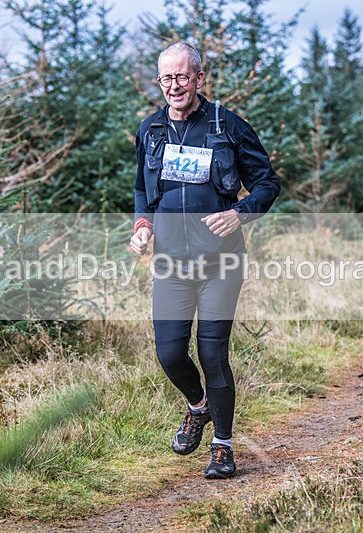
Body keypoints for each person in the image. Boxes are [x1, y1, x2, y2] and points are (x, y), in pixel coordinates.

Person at [129, 42, 280, 479]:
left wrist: (240, 214)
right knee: (170, 353)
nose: (174, 85)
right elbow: (143, 188)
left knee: (213, 355)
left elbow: (267, 183)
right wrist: (143, 226)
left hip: (221, 264)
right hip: (171, 263)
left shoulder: (228, 126)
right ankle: (199, 407)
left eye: (181, 76)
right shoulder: (151, 130)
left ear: (199, 78)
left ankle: (223, 446)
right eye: (166, 78)